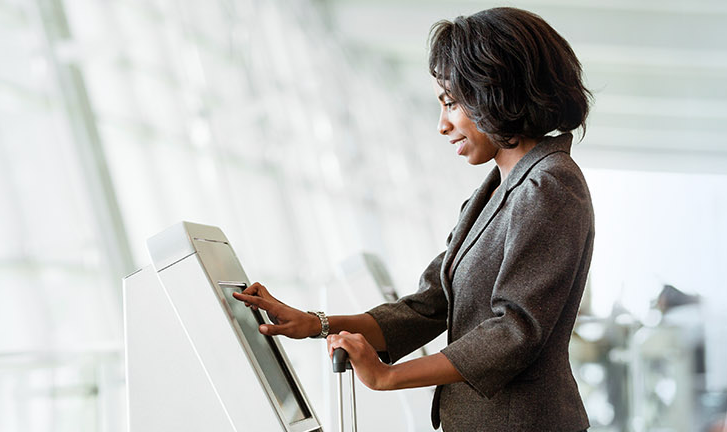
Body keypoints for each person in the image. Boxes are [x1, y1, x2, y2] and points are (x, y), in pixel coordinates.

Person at [230, 7, 595, 431]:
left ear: (495, 90)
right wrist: (317, 323)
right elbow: (429, 306)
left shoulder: (549, 184)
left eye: (451, 102)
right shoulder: (494, 189)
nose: (442, 125)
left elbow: (515, 330)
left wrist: (388, 378)